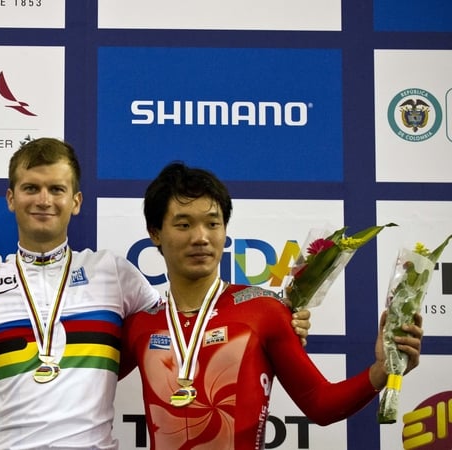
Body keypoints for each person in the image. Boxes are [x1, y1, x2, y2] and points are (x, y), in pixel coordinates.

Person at [0, 138, 312, 449]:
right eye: (31, 188)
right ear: (10, 198)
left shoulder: (112, 272)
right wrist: (9, 411)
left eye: (57, 189)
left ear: (76, 201)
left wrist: (278, 324)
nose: (44, 200)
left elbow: (178, 329)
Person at [119, 162, 424, 449]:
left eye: (213, 223)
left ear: (225, 231)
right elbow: (83, 385)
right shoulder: (140, 324)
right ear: (155, 233)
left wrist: (383, 370)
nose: (201, 237)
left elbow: (320, 403)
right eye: (183, 225)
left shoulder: (264, 311)